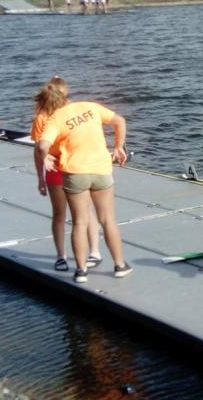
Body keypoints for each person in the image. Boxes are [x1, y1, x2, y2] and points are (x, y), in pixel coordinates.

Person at [34, 84, 131, 283]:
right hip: (101, 170)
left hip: (75, 173)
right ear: (65, 96)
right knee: (108, 220)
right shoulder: (90, 106)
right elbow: (120, 121)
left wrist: (45, 158)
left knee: (79, 222)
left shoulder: (54, 119)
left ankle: (81, 271)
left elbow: (42, 145)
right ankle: (120, 265)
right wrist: (118, 147)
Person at [32, 77, 101, 273]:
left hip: (58, 168)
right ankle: (93, 251)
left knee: (60, 214)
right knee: (84, 211)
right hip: (75, 166)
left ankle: (62, 256)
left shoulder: (41, 117)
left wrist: (40, 177)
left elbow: (38, 151)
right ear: (65, 93)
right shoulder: (72, 111)